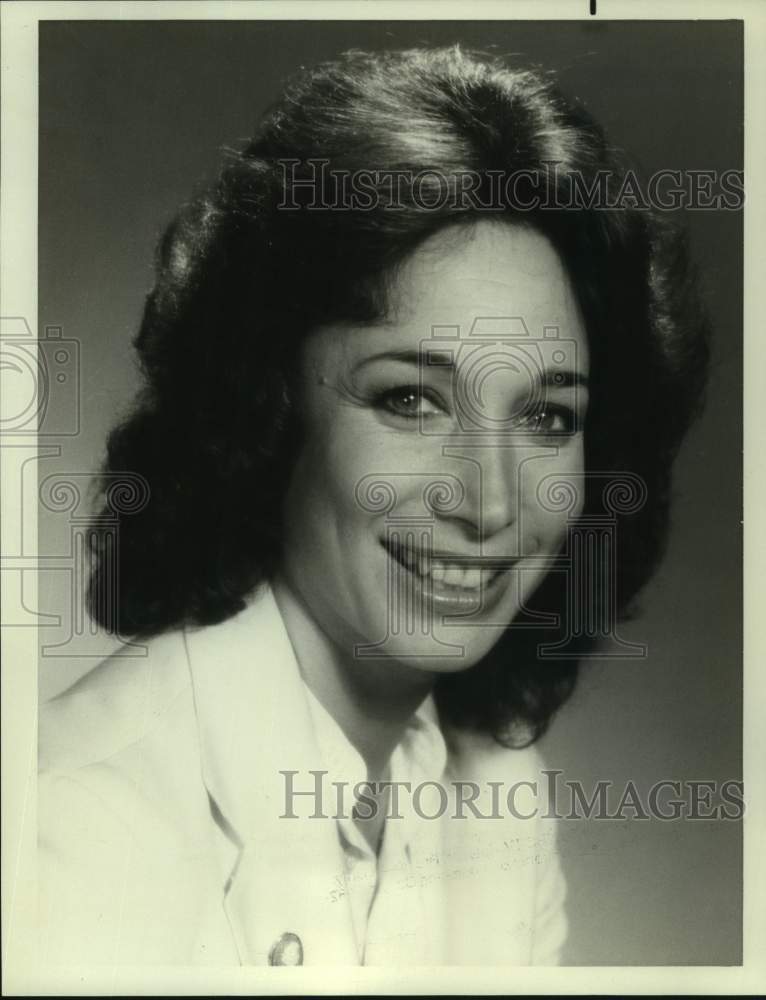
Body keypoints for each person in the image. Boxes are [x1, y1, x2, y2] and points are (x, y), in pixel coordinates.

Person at [38, 46, 708, 966]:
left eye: (549, 416)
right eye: (409, 400)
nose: (489, 501)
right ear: (267, 408)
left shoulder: (497, 800)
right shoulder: (71, 829)